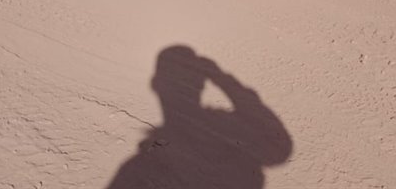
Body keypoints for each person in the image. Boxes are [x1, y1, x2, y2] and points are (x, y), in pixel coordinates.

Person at [105, 45, 293, 189]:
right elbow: (279, 150)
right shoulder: (231, 136)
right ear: (201, 85)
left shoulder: (138, 167)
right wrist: (223, 79)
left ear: (155, 86)